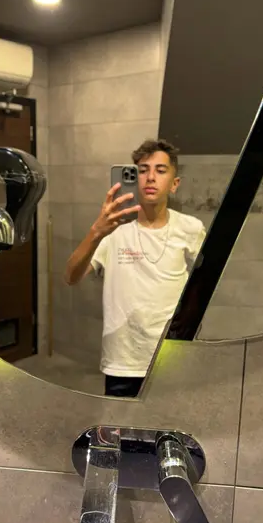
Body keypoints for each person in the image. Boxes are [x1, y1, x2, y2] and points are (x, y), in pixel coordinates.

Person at [65, 139, 206, 398]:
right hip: (122, 360)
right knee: (120, 422)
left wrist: (188, 329)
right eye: (142, 170)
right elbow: (71, 276)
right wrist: (96, 232)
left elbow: (204, 282)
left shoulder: (191, 228)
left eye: (160, 171)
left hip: (168, 356)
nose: (150, 177)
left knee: (166, 422)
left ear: (174, 184)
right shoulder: (112, 231)